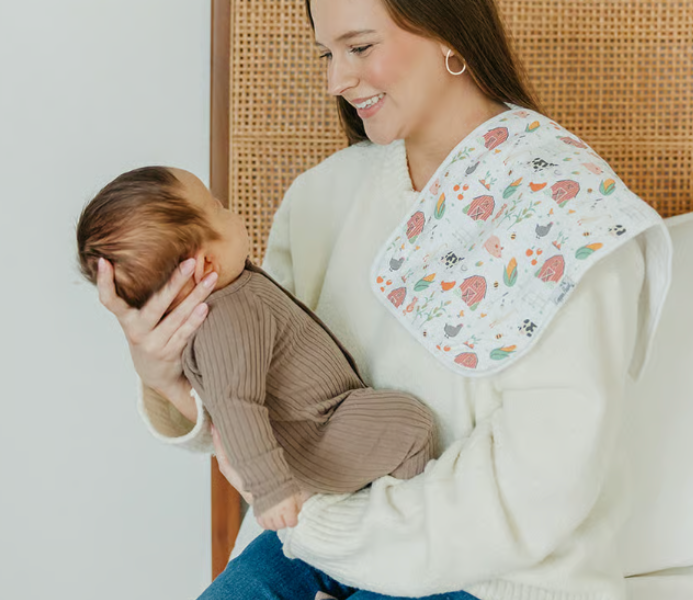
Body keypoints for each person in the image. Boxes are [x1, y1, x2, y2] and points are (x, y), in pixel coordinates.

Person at [92, 0, 671, 600]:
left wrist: (332, 533)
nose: (338, 79)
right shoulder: (323, 197)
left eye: (360, 48)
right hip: (327, 542)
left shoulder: (565, 211)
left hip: (504, 586)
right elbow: (270, 404)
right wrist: (163, 375)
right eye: (327, 53)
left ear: (447, 32)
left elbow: (539, 487)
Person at [77, 165, 436, 530]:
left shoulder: (231, 296)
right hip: (319, 434)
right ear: (206, 263)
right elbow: (234, 405)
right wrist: (272, 490)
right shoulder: (227, 318)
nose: (229, 209)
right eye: (217, 207)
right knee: (412, 426)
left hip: (324, 422)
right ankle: (401, 525)